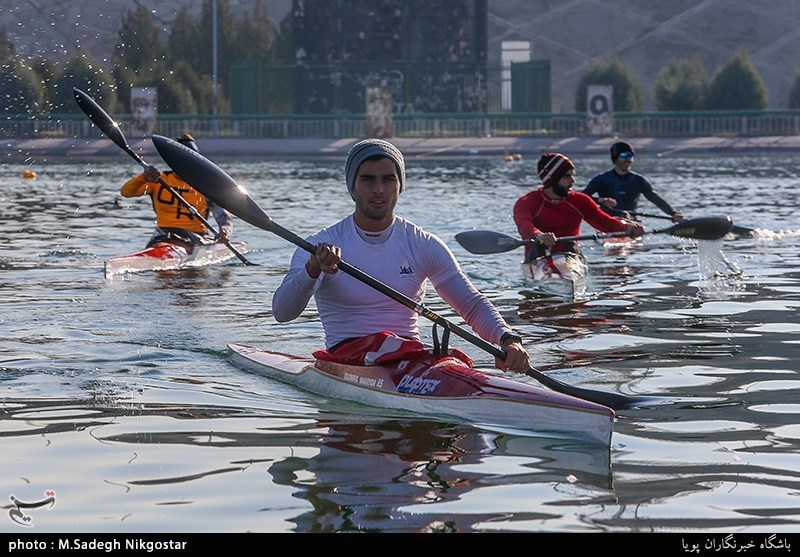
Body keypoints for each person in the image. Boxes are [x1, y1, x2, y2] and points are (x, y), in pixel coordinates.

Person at [272, 138, 530, 374]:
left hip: (410, 358)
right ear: (352, 187)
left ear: (400, 185)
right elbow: (282, 312)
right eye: (367, 180)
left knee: (452, 366)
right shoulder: (319, 246)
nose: (379, 190)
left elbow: (471, 305)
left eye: (388, 179)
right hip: (348, 358)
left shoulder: (422, 244)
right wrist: (312, 270)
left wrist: (509, 340)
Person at [513, 152, 645, 262]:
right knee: (540, 245)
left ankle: (569, 278)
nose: (572, 181)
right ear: (551, 179)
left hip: (570, 259)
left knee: (569, 246)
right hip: (539, 259)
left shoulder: (579, 201)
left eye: (572, 175)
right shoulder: (527, 202)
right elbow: (524, 226)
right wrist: (538, 235)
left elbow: (605, 223)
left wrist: (628, 227)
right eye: (567, 176)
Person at [120, 133, 233, 248]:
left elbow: (223, 217)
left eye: (190, 161)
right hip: (162, 236)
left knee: (177, 241)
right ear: (172, 161)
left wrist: (224, 232)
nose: (185, 166)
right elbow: (126, 192)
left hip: (196, 237)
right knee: (166, 239)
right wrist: (143, 178)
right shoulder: (158, 180)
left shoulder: (205, 187)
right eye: (181, 161)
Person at [583, 141, 684, 223]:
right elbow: (581, 198)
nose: (628, 159)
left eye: (630, 156)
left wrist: (673, 213)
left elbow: (656, 199)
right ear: (615, 158)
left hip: (631, 221)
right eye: (623, 155)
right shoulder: (601, 179)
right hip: (608, 221)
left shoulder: (639, 180)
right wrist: (601, 200)